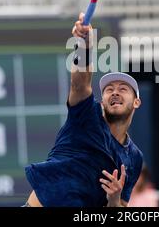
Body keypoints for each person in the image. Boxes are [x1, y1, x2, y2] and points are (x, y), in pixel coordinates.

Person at [23, 13, 143, 207]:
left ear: (137, 102)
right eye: (109, 90)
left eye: (123, 89)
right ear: (102, 101)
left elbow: (119, 208)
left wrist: (113, 199)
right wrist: (84, 46)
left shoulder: (135, 158)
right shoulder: (88, 116)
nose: (115, 93)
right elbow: (80, 84)